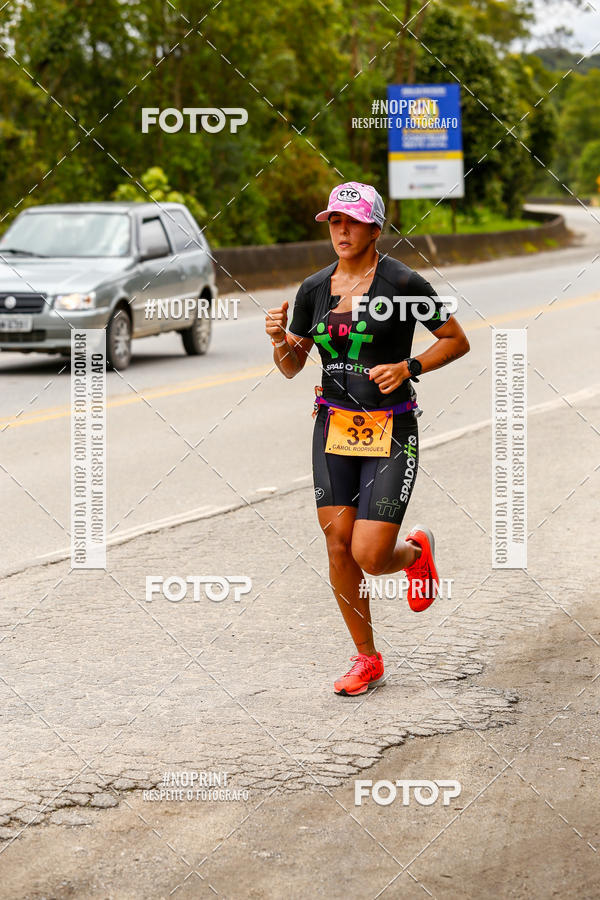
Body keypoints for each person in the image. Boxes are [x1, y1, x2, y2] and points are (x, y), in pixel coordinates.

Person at [265, 182, 470, 696]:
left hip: (391, 427)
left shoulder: (402, 282)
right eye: (335, 221)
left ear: (375, 229)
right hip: (333, 426)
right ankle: (367, 658)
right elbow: (291, 366)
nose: (342, 231)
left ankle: (415, 552)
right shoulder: (315, 289)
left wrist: (409, 367)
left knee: (372, 556)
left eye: (353, 222)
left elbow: (456, 340)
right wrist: (278, 340)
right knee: (338, 545)